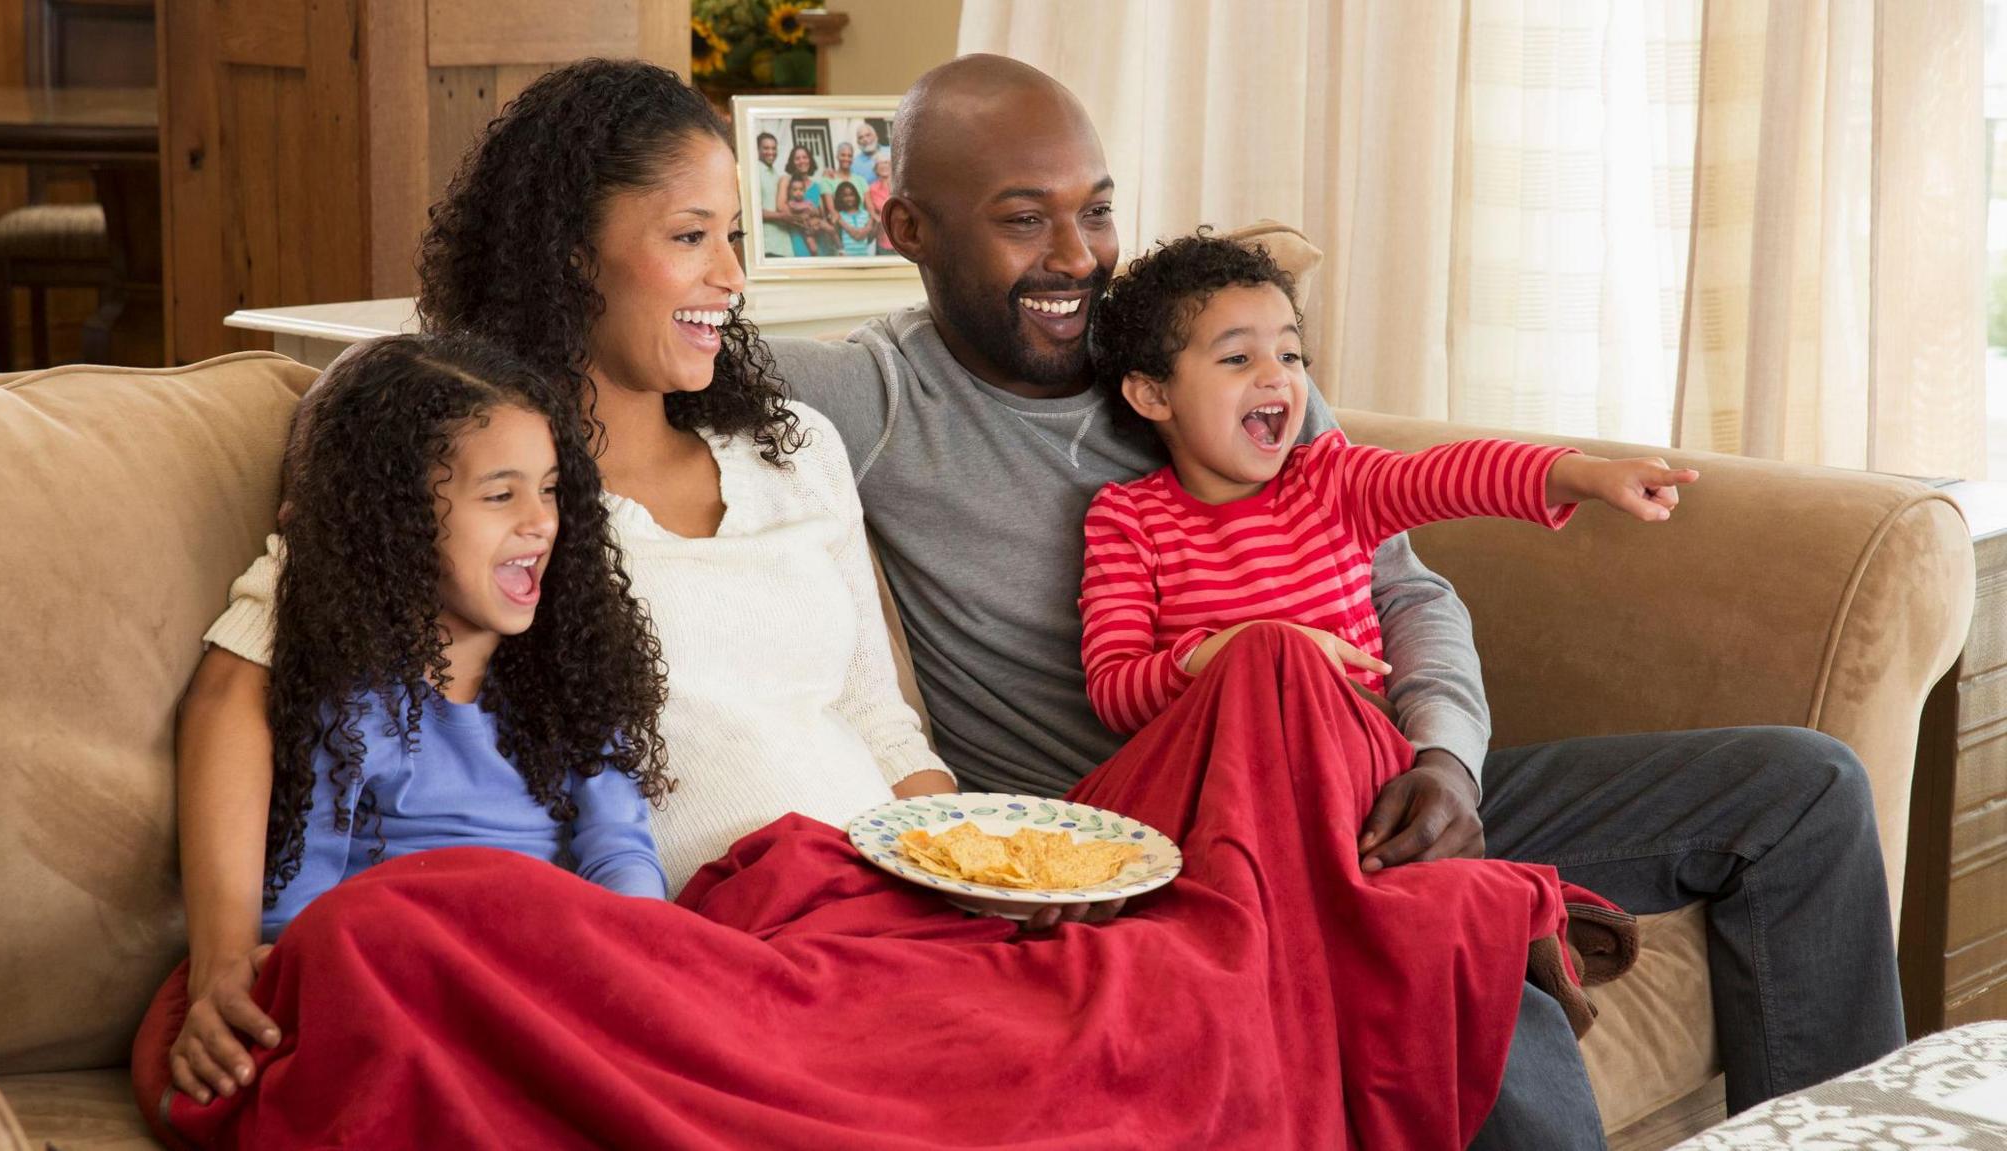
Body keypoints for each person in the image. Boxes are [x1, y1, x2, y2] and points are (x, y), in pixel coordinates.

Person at [150, 58, 1617, 1151]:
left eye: (739, 235)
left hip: (897, 890)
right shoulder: (467, 456)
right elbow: (247, 680)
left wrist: (973, 850)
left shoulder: (786, 441)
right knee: (408, 930)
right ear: (567, 249)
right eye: (691, 238)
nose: (735, 276)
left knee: (1282, 692)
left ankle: (1394, 934)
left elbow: (869, 698)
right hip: (698, 928)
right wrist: (227, 950)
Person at [769, 53, 1905, 1145]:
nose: (1076, 255)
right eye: (1024, 219)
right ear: (906, 227)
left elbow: (1405, 586)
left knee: (1799, 790)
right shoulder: (873, 399)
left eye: (1097, 210)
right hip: (1176, 842)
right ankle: (1458, 904)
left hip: (1375, 789)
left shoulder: (1226, 358)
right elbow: (650, 341)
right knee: (1450, 937)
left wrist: (1445, 761)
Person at [155, 332, 673, 1107]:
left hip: (564, 965)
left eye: (553, 489)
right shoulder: (352, 697)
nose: (540, 521)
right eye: (500, 495)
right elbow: (304, 912)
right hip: (426, 972)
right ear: (395, 523)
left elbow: (620, 848)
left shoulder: (571, 673)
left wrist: (640, 961)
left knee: (791, 870)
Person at [1078, 232, 1698, 738]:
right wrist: (1246, 649)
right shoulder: (1127, 520)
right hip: (1224, 781)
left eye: (1290, 356)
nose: (1277, 377)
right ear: (1154, 393)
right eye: (1238, 358)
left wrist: (1583, 474)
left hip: (1363, 769)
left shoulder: (1331, 479)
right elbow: (1116, 691)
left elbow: (1449, 476)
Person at [753, 131, 795, 259]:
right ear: (757, 149)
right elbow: (752, 210)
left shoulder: (776, 174)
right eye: (766, 148)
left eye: (773, 148)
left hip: (784, 244)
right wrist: (782, 216)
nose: (771, 152)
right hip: (768, 245)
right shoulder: (755, 173)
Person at [831, 180, 877, 257]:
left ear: (856, 195)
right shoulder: (839, 216)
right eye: (845, 196)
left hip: (864, 256)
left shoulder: (865, 215)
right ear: (840, 198)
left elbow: (870, 239)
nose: (849, 198)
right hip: (847, 258)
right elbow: (837, 238)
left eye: (851, 195)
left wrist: (874, 224)